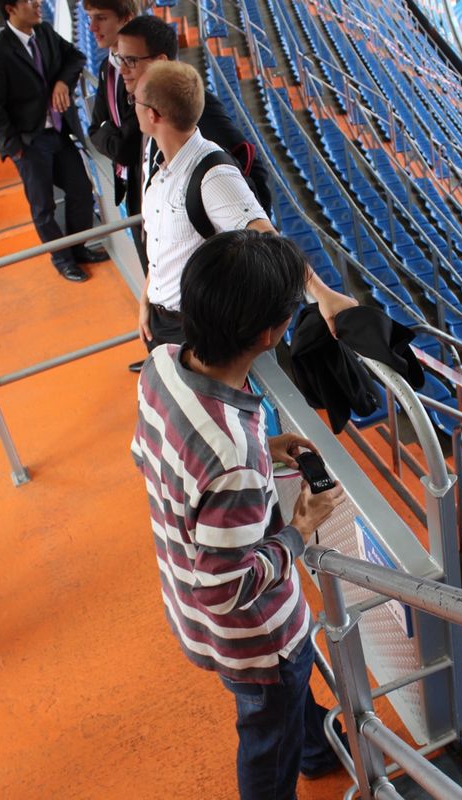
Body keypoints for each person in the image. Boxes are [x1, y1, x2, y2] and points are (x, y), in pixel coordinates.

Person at [131, 230, 346, 799]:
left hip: (182, 600)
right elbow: (226, 589)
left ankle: (318, 750)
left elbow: (157, 455)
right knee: (266, 745)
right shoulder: (232, 458)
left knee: (280, 721)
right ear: (269, 335)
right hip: (260, 643)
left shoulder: (160, 364)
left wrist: (258, 452)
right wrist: (300, 531)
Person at [132, 61, 355, 350]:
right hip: (160, 322)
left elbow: (268, 238)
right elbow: (163, 242)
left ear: (153, 115)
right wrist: (147, 299)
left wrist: (321, 292)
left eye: (134, 101)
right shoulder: (159, 161)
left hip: (197, 334)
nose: (132, 106)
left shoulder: (213, 176)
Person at [89, 14, 271, 231]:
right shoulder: (143, 102)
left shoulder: (196, 107)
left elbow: (250, 164)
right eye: (121, 60)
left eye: (131, 61)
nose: (123, 70)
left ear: (161, 62)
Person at [0, 0, 109, 283]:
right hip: (29, 143)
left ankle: (78, 249)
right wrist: (15, 148)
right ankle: (62, 260)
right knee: (43, 208)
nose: (38, 3)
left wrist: (63, 82)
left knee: (81, 191)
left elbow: (75, 57)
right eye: (29, 0)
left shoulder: (45, 33)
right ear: (10, 8)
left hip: (59, 134)